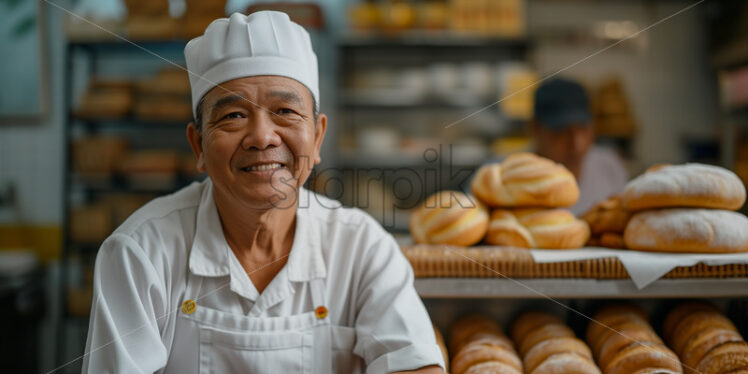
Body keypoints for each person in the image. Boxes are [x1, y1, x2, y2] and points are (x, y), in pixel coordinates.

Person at [82, 12, 445, 373]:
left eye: (285, 111)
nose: (261, 137)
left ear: (317, 137)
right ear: (198, 147)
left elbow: (414, 364)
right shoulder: (140, 253)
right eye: (233, 116)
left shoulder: (361, 246)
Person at [529, 78, 629, 215]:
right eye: (561, 131)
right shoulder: (510, 181)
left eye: (583, 128)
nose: (577, 145)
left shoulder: (609, 167)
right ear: (534, 128)